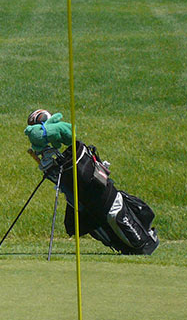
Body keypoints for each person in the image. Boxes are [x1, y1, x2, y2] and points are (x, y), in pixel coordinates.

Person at [24, 109, 159, 255]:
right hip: (94, 203)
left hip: (101, 201)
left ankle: (142, 244)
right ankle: (136, 244)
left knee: (106, 213)